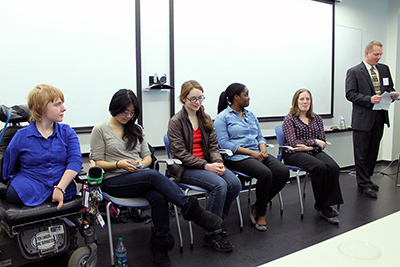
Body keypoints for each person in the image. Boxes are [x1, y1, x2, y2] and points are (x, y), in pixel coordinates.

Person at [90, 89, 221, 267]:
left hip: (138, 176)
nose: (128, 116)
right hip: (113, 181)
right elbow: (97, 161)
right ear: (114, 108)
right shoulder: (100, 130)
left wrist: (141, 164)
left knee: (159, 197)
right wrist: (119, 164)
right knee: (152, 175)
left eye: (132, 112)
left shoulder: (136, 129)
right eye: (124, 112)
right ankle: (191, 208)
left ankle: (161, 246)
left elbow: (148, 157)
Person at [167, 80, 241, 253]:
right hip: (186, 168)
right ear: (183, 98)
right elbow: (180, 155)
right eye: (193, 99)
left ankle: (215, 222)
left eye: (200, 98)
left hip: (208, 164)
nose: (197, 102)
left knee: (235, 184)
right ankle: (212, 233)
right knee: (220, 185)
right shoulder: (176, 122)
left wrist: (218, 163)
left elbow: (214, 147)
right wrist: (207, 166)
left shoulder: (205, 118)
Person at [214, 82, 289, 231]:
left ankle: (257, 206)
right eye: (246, 95)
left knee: (282, 172)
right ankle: (261, 213)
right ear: (236, 97)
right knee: (265, 174)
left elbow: (260, 136)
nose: (249, 98)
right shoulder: (222, 118)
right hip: (237, 158)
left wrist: (262, 149)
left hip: (256, 154)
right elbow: (224, 144)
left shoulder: (250, 115)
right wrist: (251, 153)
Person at [3, 84, 82, 210]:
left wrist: (60, 188)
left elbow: (75, 162)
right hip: (29, 187)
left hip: (62, 185)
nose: (64, 108)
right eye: (58, 104)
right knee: (13, 193)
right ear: (41, 109)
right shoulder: (21, 136)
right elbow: (8, 168)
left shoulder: (67, 132)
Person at [345, 40, 399, 198]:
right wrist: (369, 99)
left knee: (373, 151)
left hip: (379, 116)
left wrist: (393, 94)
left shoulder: (384, 69)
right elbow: (350, 94)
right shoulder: (354, 71)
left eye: (381, 54)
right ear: (367, 53)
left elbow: (389, 88)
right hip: (362, 118)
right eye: (376, 54)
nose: (379, 57)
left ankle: (367, 179)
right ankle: (363, 184)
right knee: (361, 153)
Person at [282, 89, 344, 224]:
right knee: (319, 167)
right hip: (294, 154)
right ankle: (323, 207)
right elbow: (294, 143)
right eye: (302, 99)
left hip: (312, 151)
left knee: (334, 167)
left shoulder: (317, 118)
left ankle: (325, 204)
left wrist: (309, 146)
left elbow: (323, 141)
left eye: (307, 99)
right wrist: (314, 142)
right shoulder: (289, 119)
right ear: (296, 101)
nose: (305, 102)